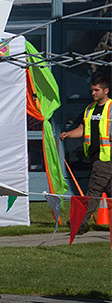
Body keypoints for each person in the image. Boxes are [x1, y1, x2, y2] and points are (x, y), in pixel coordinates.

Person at [60, 75, 111, 232]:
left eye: (97, 90)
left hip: (106, 159)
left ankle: (79, 223)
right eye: (92, 90)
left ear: (106, 91)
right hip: (96, 157)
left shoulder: (110, 108)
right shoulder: (89, 109)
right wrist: (68, 134)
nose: (93, 93)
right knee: (107, 191)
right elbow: (82, 130)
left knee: (93, 192)